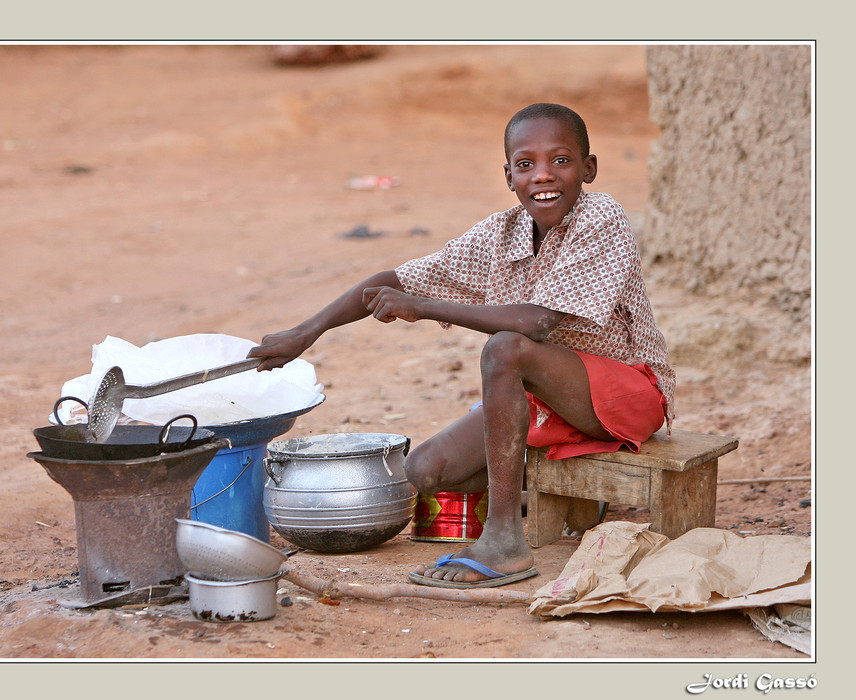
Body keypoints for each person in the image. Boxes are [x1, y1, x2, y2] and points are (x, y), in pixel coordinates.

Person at [247, 103, 675, 588]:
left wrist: (424, 307)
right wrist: (308, 332)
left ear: (588, 168)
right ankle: (551, 494)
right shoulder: (501, 233)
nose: (543, 176)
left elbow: (534, 323)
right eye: (526, 164)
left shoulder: (601, 219)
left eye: (561, 160)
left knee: (505, 348)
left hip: (627, 397)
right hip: (549, 405)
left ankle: (505, 538)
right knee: (425, 471)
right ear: (509, 175)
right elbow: (395, 279)